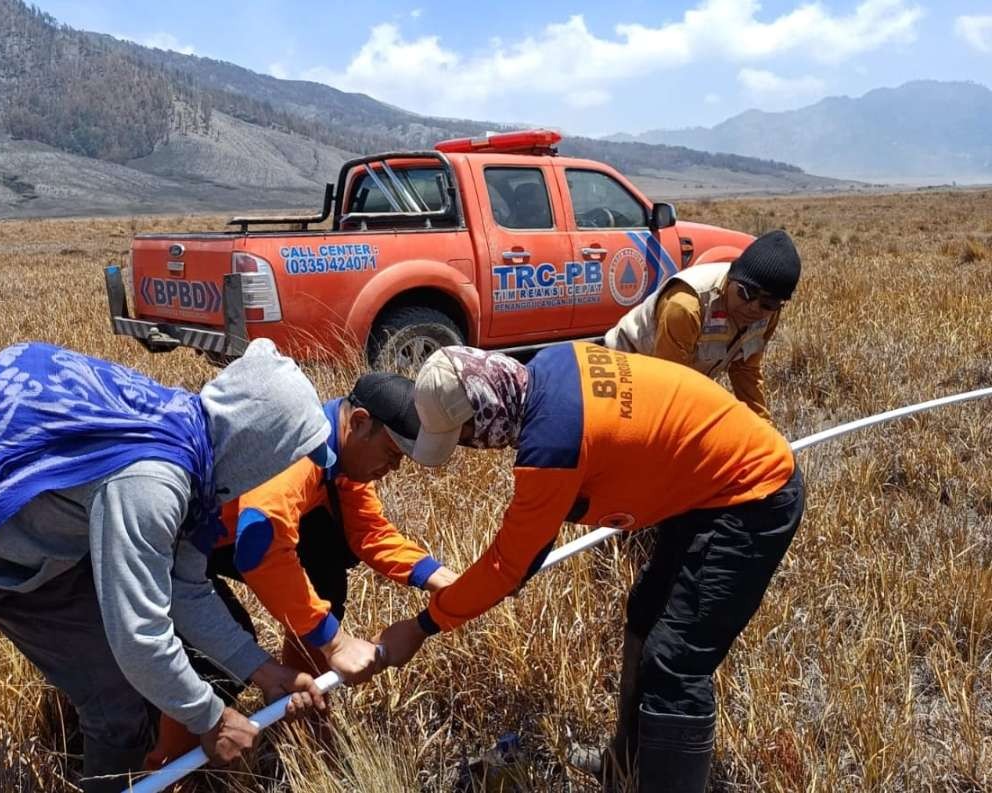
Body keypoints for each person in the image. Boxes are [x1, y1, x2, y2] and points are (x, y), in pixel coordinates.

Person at [377, 342, 805, 793]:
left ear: (485, 412)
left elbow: (509, 566)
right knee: (645, 612)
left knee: (675, 663)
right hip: (707, 488)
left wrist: (423, 625)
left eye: (464, 436)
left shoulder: (551, 445)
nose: (470, 448)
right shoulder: (551, 364)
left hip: (755, 495)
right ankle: (624, 768)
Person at [0, 339, 331, 793]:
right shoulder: (153, 483)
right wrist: (211, 719)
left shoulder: (196, 457)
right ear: (259, 447)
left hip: (43, 566)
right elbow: (141, 636)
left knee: (121, 716)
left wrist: (267, 673)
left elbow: (185, 591)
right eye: (287, 460)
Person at [146, 372, 457, 766]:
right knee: (221, 648)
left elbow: (367, 529)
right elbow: (259, 549)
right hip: (179, 544)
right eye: (392, 455)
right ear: (359, 422)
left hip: (226, 534)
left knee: (326, 559)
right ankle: (169, 765)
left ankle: (300, 700)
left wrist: (436, 577)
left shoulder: (342, 462)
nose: (393, 469)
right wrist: (336, 642)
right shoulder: (298, 451)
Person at [603, 229, 801, 422]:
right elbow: (670, 386)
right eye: (746, 293)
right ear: (731, 278)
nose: (754, 308)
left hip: (674, 384)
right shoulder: (686, 305)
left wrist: (763, 428)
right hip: (625, 379)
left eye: (769, 303)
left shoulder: (768, 315)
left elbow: (745, 370)